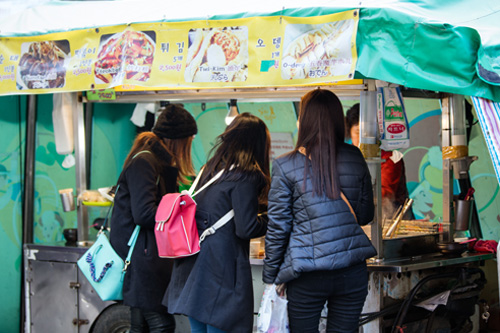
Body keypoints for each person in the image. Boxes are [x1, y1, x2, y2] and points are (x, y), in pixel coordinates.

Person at [263, 89, 376, 332]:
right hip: (352, 271)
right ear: (337, 118)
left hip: (308, 273)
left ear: (304, 120)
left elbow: (278, 228)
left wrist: (271, 276)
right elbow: (366, 215)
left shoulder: (285, 165)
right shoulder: (355, 156)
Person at [165, 112, 271, 333]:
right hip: (221, 270)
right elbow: (246, 228)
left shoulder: (209, 169)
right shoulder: (246, 175)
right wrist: (271, 218)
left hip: (194, 264)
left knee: (199, 329)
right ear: (257, 144)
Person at [110, 103, 198, 333]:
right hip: (143, 259)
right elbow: (144, 214)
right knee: (161, 324)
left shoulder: (157, 163)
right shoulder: (145, 162)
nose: (188, 147)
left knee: (139, 325)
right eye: (188, 141)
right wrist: (179, 210)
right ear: (176, 139)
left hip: (146, 257)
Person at [345, 103, 414, 219]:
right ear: (349, 132)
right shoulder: (347, 155)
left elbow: (386, 193)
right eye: (358, 132)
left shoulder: (391, 157)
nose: (363, 138)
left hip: (392, 221)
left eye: (368, 133)